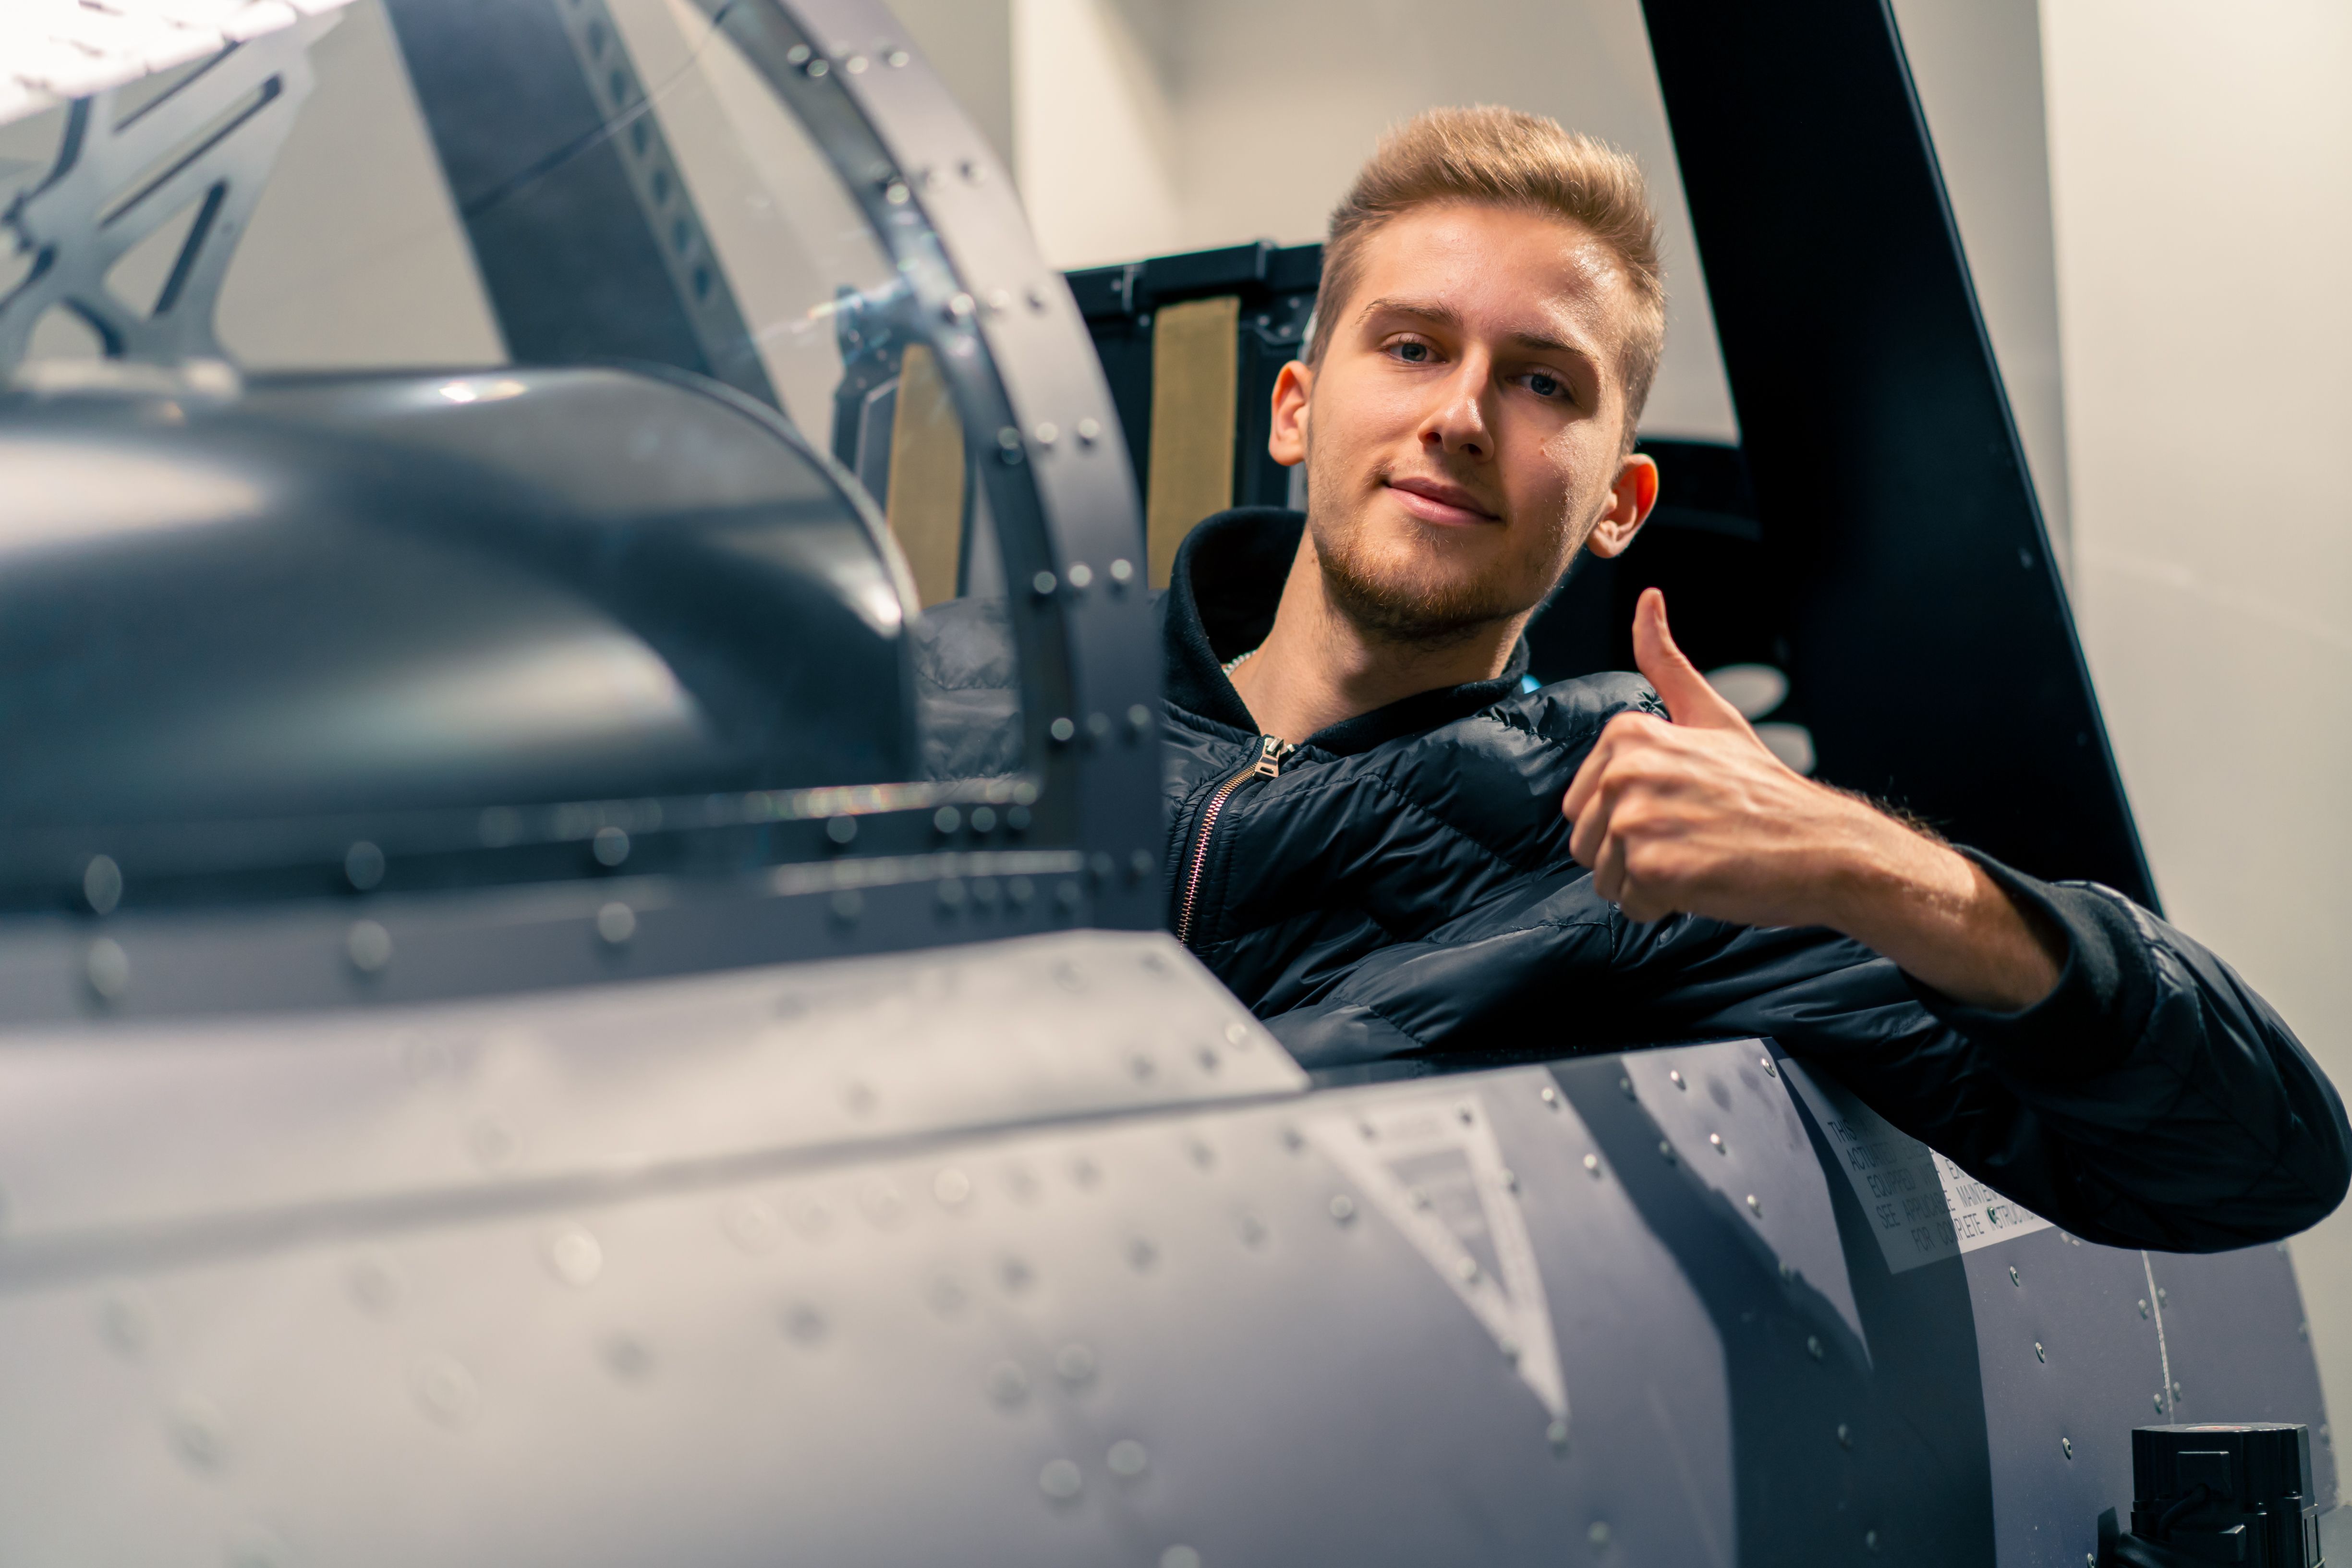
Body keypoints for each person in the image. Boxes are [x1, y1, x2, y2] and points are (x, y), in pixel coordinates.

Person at [1148, 105, 2346, 1252]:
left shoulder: (1646, 869)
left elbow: (2251, 1158)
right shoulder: (980, 700)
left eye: (1542, 382)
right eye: (1412, 347)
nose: (1460, 413)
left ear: (1618, 505)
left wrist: (1845, 855)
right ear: (1296, 412)